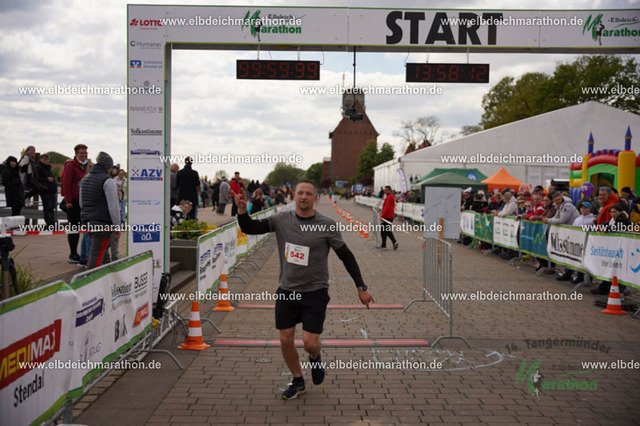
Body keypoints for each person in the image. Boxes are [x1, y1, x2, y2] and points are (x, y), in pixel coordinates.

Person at [235, 179, 374, 400]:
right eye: (300, 193)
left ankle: (315, 357)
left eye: (309, 193)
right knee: (285, 339)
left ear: (315, 198)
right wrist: (242, 210)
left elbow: (346, 256)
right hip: (287, 290)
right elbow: (250, 228)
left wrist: (361, 287)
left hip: (315, 291)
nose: (304, 197)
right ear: (294, 195)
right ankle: (298, 380)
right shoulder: (281, 220)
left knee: (310, 343)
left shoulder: (326, 224)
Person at [79, 152, 121, 269]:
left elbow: (81, 203)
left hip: (87, 221)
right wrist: (117, 226)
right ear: (108, 167)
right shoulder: (108, 181)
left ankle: (104, 274)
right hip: (103, 223)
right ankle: (91, 276)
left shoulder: (85, 179)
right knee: (96, 256)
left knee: (99, 252)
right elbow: (113, 207)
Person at [62, 144, 89, 263]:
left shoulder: (84, 166)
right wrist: (68, 201)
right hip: (73, 201)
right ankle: (72, 254)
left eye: (85, 153)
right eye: (81, 153)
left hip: (82, 201)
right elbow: (66, 183)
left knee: (81, 228)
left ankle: (82, 253)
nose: (84, 155)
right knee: (74, 228)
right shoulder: (70, 165)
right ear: (76, 154)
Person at [35, 154, 58, 229]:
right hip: (45, 190)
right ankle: (50, 224)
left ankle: (52, 224)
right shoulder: (38, 167)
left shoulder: (48, 168)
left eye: (47, 159)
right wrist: (46, 179)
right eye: (45, 159)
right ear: (41, 159)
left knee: (52, 207)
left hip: (51, 190)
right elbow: (37, 179)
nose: (46, 160)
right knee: (47, 208)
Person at [379, 185, 398, 250]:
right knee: (387, 230)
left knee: (383, 231)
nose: (385, 191)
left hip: (387, 217)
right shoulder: (389, 196)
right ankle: (394, 242)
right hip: (389, 216)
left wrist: (382, 216)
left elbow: (387, 208)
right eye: (384, 190)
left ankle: (384, 245)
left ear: (390, 190)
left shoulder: (389, 197)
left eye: (386, 190)